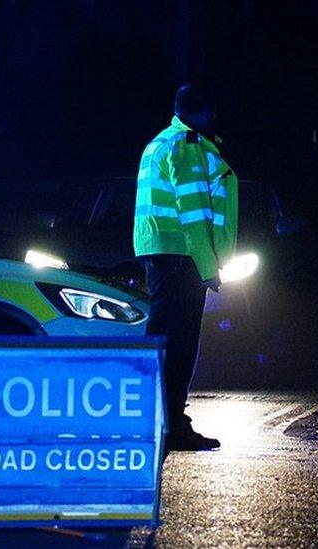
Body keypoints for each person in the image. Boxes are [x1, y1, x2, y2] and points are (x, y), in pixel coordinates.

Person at [133, 84, 238, 451]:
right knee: (178, 344)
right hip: (182, 256)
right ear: (201, 110)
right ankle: (171, 424)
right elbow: (194, 213)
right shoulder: (188, 146)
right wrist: (210, 268)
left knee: (163, 339)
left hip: (164, 252)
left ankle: (156, 420)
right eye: (211, 110)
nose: (215, 117)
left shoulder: (162, 142)